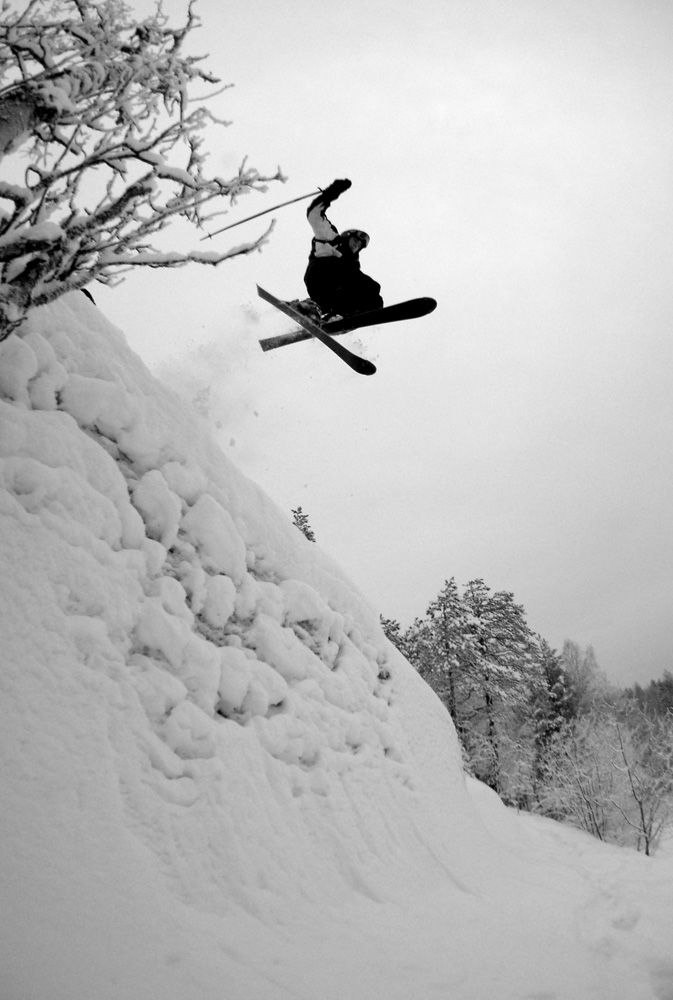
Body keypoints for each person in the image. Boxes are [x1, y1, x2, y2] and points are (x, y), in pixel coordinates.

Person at [296, 178, 383, 321]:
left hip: (337, 290)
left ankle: (339, 316)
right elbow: (314, 215)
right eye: (355, 241)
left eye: (360, 245)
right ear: (347, 237)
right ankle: (311, 306)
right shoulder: (331, 237)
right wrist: (332, 192)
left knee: (371, 288)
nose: (356, 246)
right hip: (320, 277)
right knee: (348, 275)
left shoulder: (352, 263)